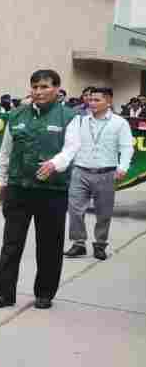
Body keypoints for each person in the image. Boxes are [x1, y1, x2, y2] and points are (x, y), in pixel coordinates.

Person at [0, 69, 76, 310]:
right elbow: (5, 151)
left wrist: (54, 164)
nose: (39, 92)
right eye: (35, 87)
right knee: (11, 243)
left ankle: (44, 293)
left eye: (45, 87)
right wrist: (2, 181)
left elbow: (72, 150)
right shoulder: (16, 115)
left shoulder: (70, 117)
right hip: (18, 189)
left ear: (57, 89)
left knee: (49, 245)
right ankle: (4, 293)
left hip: (52, 191)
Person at [62, 86, 135, 261]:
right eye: (90, 99)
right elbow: (71, 145)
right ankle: (78, 243)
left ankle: (100, 244)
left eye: (97, 100)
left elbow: (126, 147)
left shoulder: (119, 123)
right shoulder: (81, 121)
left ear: (108, 101)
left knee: (103, 212)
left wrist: (122, 167)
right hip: (80, 171)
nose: (91, 103)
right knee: (75, 210)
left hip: (106, 173)